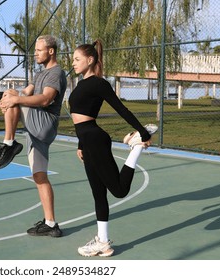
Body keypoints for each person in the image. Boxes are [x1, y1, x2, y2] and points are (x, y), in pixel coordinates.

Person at [69, 39, 158, 256]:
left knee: (119, 190)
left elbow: (121, 109)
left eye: (77, 59)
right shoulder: (80, 84)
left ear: (90, 60)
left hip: (96, 139)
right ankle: (103, 242)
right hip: (87, 141)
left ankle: (136, 147)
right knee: (98, 194)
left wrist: (143, 132)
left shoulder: (99, 83)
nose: (73, 63)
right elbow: (81, 116)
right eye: (73, 59)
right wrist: (80, 145)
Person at [0, 35, 67, 237]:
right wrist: (9, 99)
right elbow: (26, 92)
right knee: (39, 176)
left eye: (39, 50)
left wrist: (13, 100)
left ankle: (9, 144)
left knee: (13, 98)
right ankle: (51, 224)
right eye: (35, 51)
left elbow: (45, 100)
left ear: (51, 51)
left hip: (45, 123)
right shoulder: (39, 74)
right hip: (35, 129)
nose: (35, 54)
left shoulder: (56, 73)